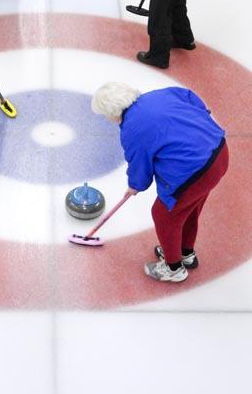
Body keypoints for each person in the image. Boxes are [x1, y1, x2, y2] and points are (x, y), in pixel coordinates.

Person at [92, 82, 229, 282]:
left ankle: (173, 268)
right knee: (187, 208)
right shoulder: (160, 95)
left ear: (112, 111)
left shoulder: (132, 129)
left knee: (164, 215)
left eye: (105, 115)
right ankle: (185, 253)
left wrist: (135, 185)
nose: (108, 119)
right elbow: (191, 98)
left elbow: (140, 165)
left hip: (194, 172)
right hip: (218, 153)